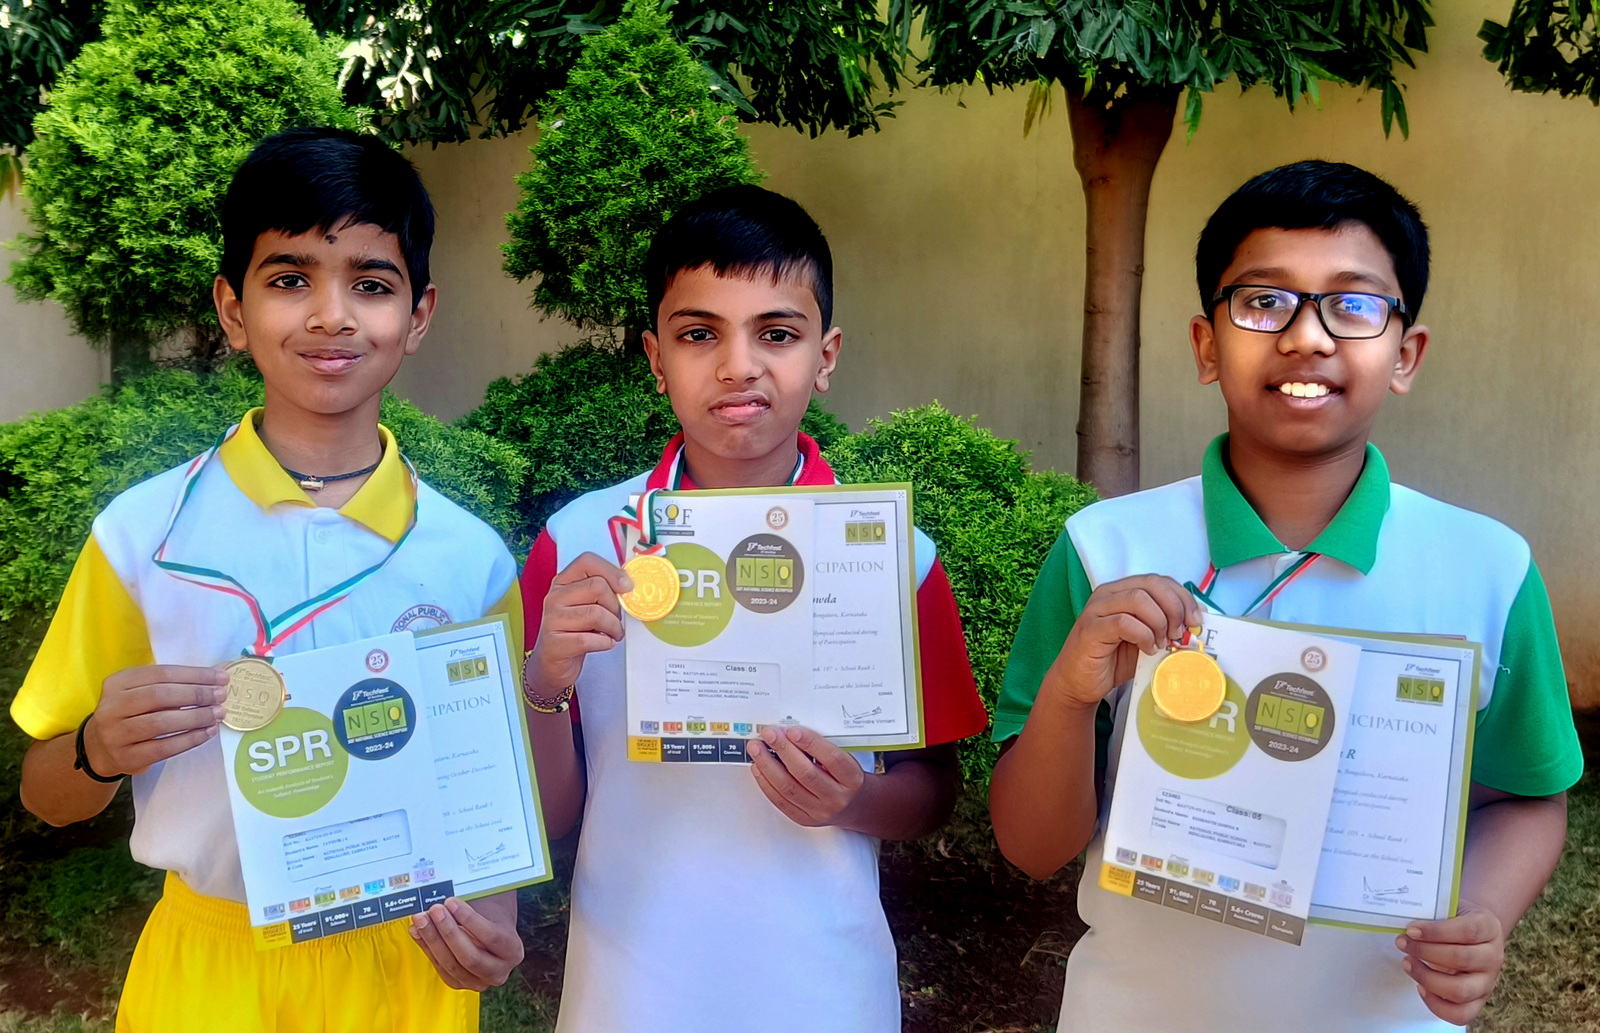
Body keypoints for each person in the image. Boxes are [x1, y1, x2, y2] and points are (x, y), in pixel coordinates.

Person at [989, 160, 1583, 1032]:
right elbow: (1032, 846)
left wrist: (1484, 913)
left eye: (1354, 304)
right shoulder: (1103, 551)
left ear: (1406, 354)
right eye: (1264, 301)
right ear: (1206, 345)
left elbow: (1526, 795)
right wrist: (1073, 693)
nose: (1307, 337)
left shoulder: (1489, 569)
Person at [12, 127, 525, 1032]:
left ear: (419, 315)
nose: (331, 316)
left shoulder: (470, 558)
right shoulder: (143, 536)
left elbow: (487, 805)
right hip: (213, 969)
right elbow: (46, 791)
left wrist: (494, 928)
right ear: (233, 308)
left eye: (372, 283)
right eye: (290, 279)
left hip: (405, 972)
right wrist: (96, 747)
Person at [520, 184, 989, 1032]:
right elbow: (550, 814)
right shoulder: (580, 545)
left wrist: (852, 800)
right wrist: (545, 680)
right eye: (699, 334)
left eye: (776, 333)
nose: (739, 365)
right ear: (656, 356)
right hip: (630, 980)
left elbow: (933, 790)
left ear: (826, 354)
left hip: (824, 982)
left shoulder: (894, 555)